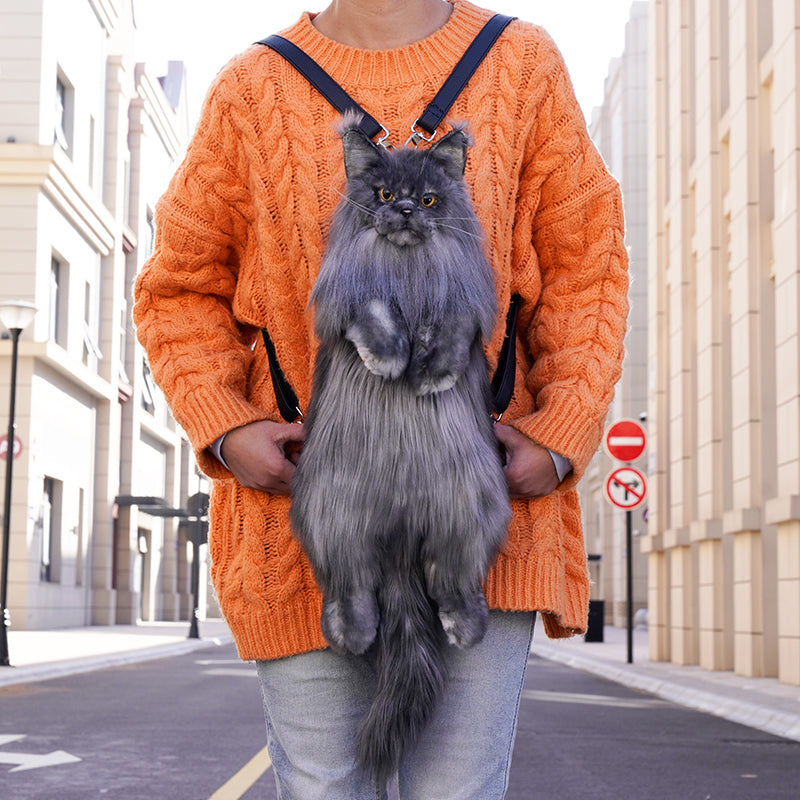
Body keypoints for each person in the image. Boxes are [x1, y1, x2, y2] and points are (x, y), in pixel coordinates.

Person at [132, 0, 629, 797]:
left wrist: (561, 428)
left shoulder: (523, 64)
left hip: (477, 518)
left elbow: (586, 266)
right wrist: (227, 426)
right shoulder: (251, 86)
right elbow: (178, 288)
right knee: (327, 786)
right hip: (306, 527)